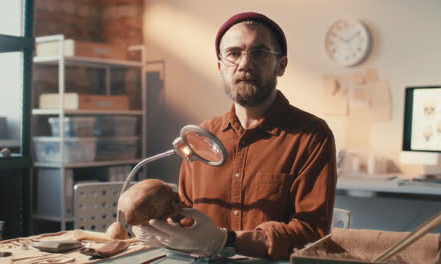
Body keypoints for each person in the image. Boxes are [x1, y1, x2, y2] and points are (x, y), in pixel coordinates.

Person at [134, 11, 338, 260]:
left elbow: (312, 234)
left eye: (259, 53)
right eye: (233, 54)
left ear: (281, 65)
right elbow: (183, 213)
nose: (244, 64)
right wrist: (161, 226)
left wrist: (226, 241)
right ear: (220, 67)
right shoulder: (200, 138)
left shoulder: (312, 136)